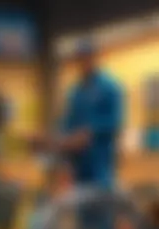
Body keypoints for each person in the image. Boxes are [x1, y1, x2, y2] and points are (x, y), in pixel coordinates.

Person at [32, 39, 124, 190]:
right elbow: (67, 123)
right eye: (79, 58)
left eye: (86, 57)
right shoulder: (76, 91)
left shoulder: (109, 87)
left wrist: (90, 132)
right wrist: (50, 138)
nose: (82, 62)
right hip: (78, 166)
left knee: (99, 205)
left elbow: (114, 122)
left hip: (100, 165)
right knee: (81, 206)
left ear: (95, 58)